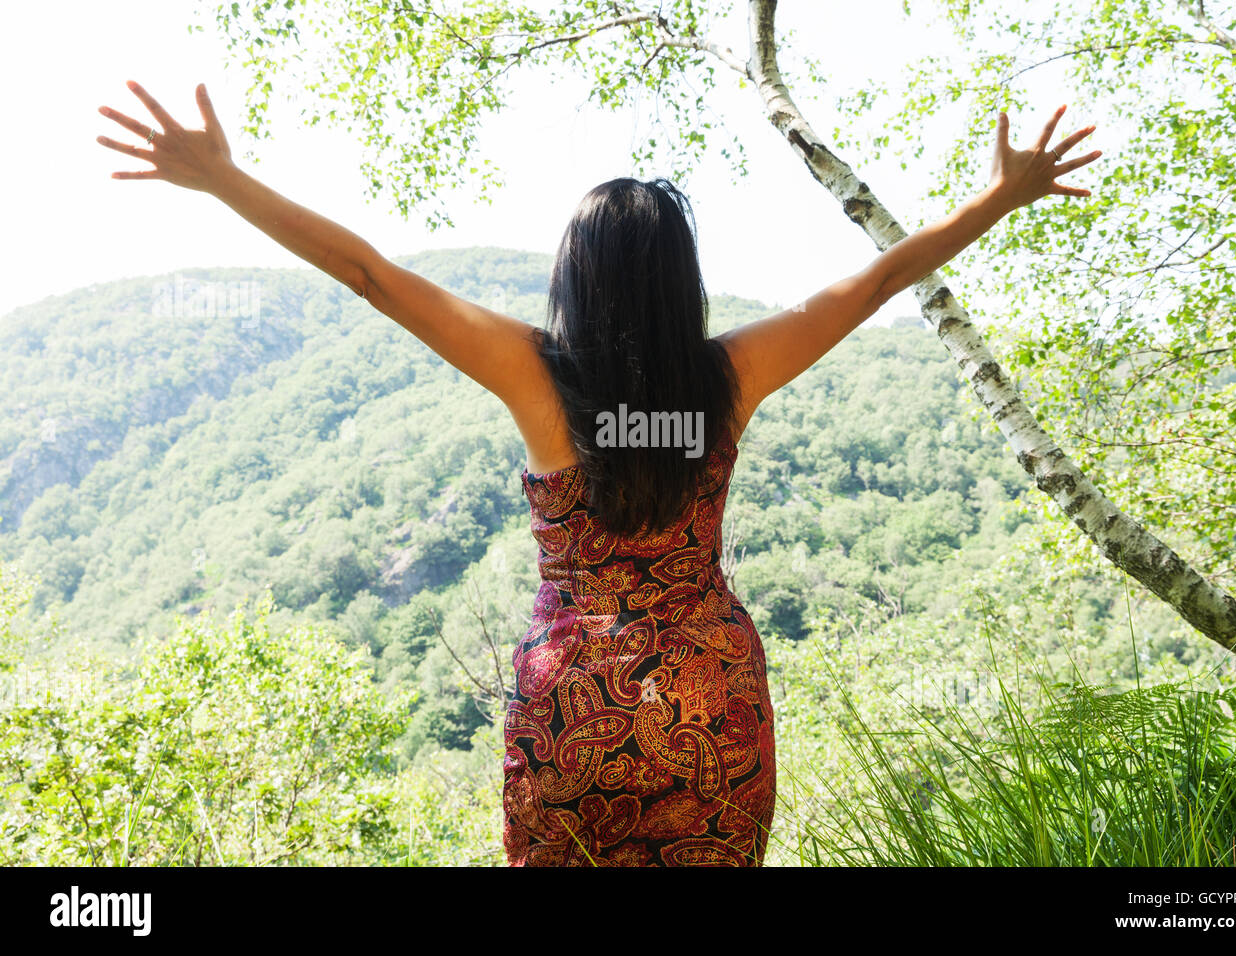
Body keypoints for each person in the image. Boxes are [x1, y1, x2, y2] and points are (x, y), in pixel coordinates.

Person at [96, 81, 1100, 866]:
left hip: (572, 699)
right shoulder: (731, 376)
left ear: (572, 276)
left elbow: (370, 273)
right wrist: (1001, 195)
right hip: (711, 689)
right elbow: (877, 278)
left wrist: (226, 179)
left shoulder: (535, 376)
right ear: (681, 283)